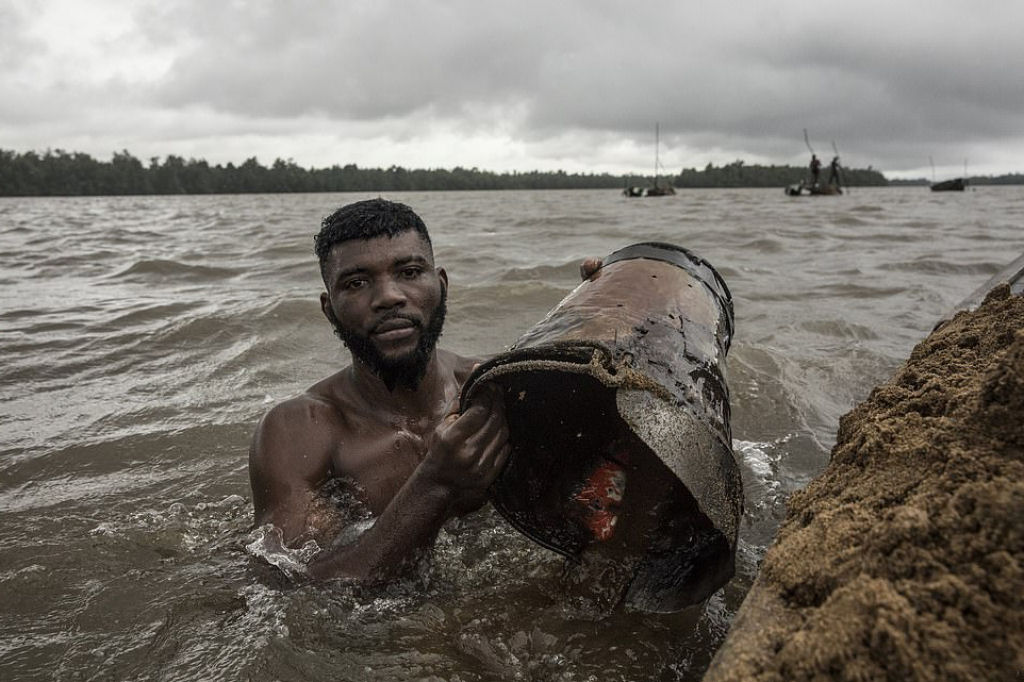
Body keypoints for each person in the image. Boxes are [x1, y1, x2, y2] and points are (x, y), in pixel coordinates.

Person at [248, 198, 514, 583]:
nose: (388, 297)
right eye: (356, 283)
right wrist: (434, 484)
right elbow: (289, 586)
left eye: (408, 272)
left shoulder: (493, 388)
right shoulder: (301, 429)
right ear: (329, 309)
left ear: (440, 284)